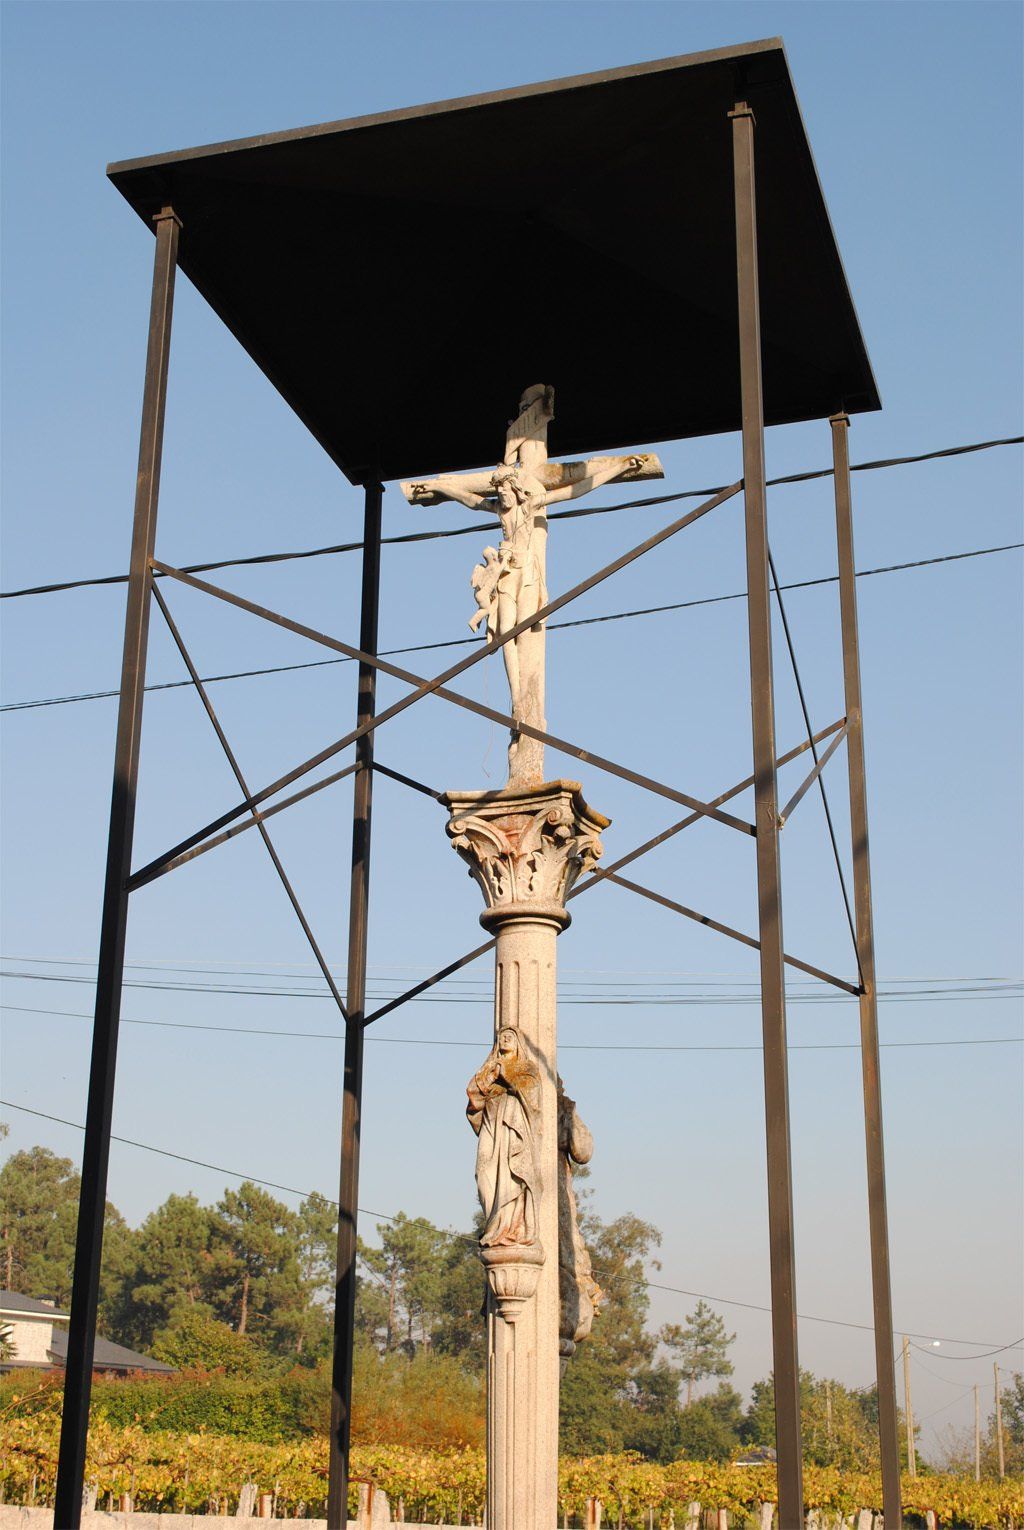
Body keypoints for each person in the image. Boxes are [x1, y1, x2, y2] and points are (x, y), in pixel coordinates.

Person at [466, 1025, 541, 1248]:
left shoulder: (526, 1067)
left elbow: (530, 1094)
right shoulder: (489, 1067)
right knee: (483, 1173)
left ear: (518, 1043)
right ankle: (493, 1224)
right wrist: (488, 1078)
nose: (505, 1039)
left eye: (510, 1037)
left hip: (512, 1124)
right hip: (491, 1120)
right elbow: (473, 1093)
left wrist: (505, 1077)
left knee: (511, 1174)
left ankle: (508, 1228)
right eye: (502, 1037)